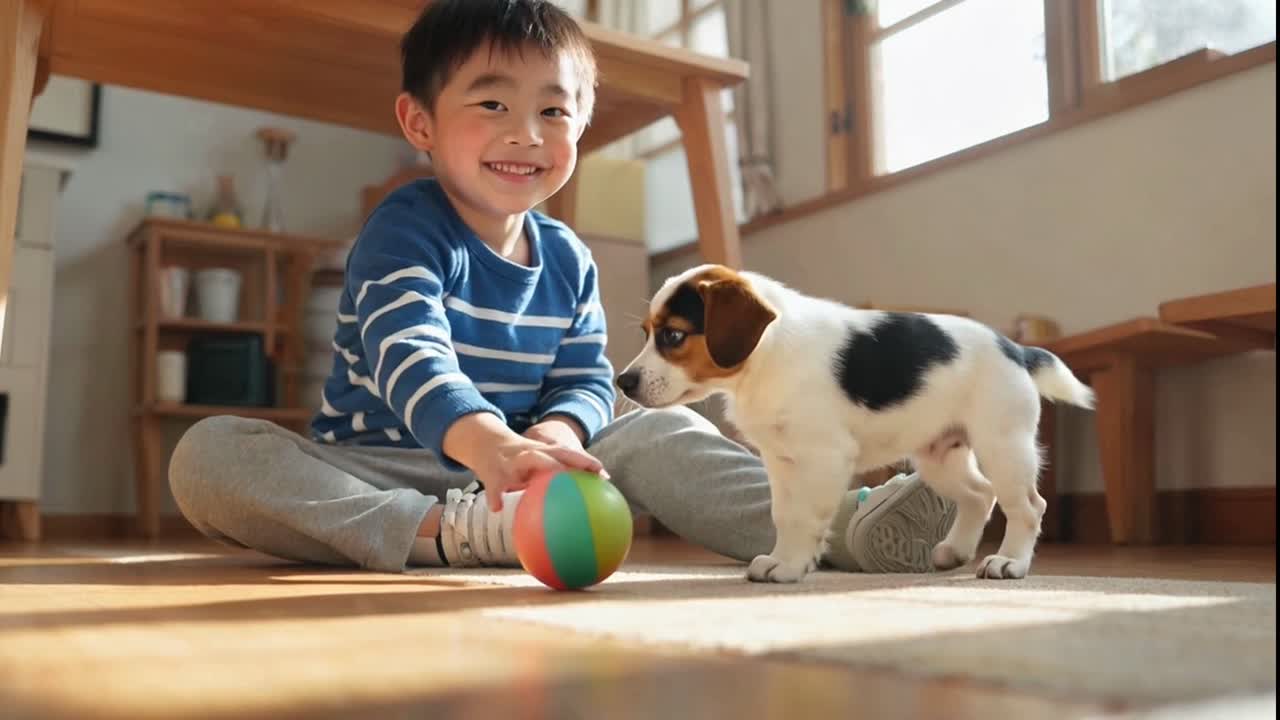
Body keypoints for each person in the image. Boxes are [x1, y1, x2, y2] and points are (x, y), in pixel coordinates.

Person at [168, 0, 954, 576]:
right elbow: (409, 351)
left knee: (658, 428)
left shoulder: (570, 258)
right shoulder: (403, 228)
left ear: (580, 126)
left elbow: (583, 376)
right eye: (492, 105)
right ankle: (446, 534)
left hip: (534, 474)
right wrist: (489, 447)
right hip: (391, 468)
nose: (527, 132)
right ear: (420, 123)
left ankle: (832, 527)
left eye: (554, 109)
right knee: (210, 455)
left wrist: (560, 436)